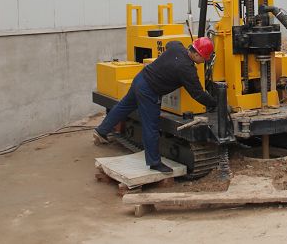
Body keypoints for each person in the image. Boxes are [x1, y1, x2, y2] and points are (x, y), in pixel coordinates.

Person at [93, 37, 217, 173]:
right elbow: (198, 94)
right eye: (204, 58)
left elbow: (170, 43)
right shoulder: (187, 69)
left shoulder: (178, 48)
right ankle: (154, 162)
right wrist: (214, 103)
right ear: (197, 54)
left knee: (123, 107)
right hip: (149, 92)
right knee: (151, 126)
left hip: (140, 79)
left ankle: (101, 131)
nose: (204, 61)